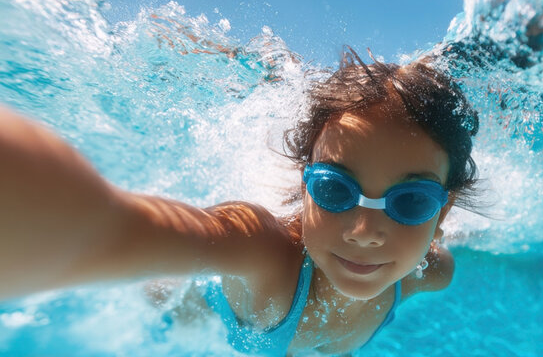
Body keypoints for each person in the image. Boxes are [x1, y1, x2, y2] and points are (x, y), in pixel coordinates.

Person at [0, 47, 481, 355]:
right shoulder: (266, 255)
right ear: (305, 188)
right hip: (194, 303)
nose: (365, 232)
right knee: (170, 308)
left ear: (442, 213)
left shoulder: (431, 272)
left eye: (411, 203)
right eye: (335, 189)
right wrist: (72, 231)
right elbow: (124, 229)